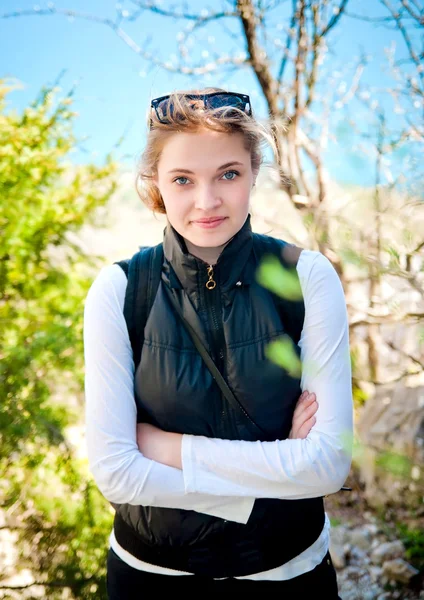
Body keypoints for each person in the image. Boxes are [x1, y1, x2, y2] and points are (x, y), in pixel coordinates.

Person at [83, 87, 353, 598]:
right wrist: (277, 470)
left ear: (254, 170)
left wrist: (166, 448)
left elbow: (328, 464)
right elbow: (117, 474)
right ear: (157, 185)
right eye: (183, 180)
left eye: (228, 174)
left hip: (288, 572)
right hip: (151, 576)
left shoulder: (307, 278)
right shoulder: (119, 290)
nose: (206, 202)